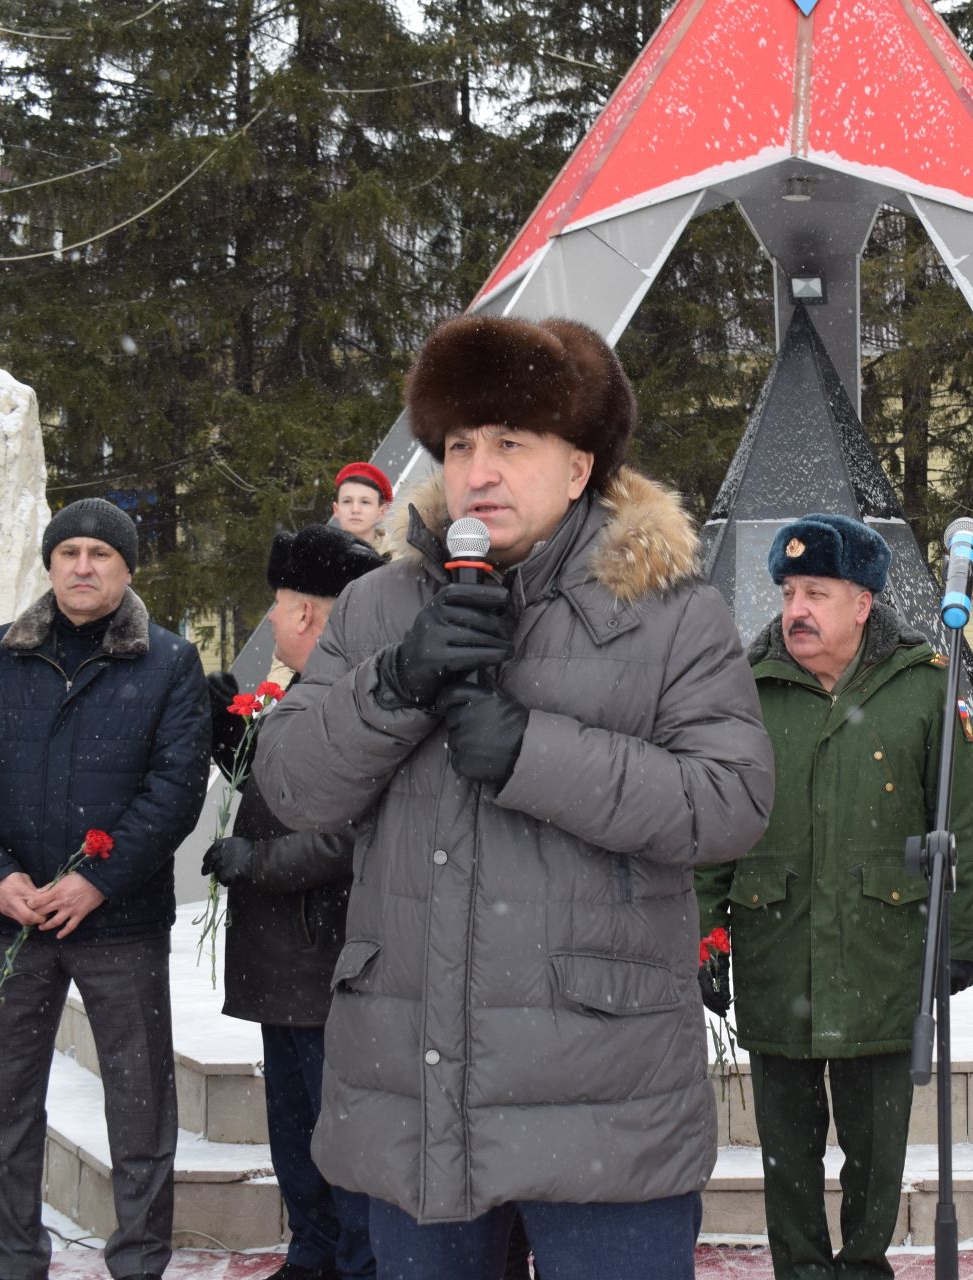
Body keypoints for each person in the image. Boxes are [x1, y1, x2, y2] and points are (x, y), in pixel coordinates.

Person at [253, 313, 774, 1280]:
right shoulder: (379, 608)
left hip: (602, 1107)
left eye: (509, 444)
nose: (477, 471)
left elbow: (731, 799)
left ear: (579, 468)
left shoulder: (667, 611)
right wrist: (395, 684)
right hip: (420, 1095)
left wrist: (532, 752)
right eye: (458, 446)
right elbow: (290, 784)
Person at [694, 514, 973, 1280]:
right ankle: (799, 1270)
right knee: (786, 1153)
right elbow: (714, 826)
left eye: (816, 593)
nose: (796, 608)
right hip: (775, 947)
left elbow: (960, 826)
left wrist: (959, 942)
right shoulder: (746, 688)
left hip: (882, 956)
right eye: (789, 591)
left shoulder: (924, 687)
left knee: (876, 1147)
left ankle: (864, 1268)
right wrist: (702, 933)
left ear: (862, 602)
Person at [0, 497, 207, 1280]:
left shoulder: (168, 662)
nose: (84, 567)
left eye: (101, 554)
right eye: (69, 553)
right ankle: (16, 1264)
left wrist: (96, 880)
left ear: (128, 568)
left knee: (141, 1112)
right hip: (12, 926)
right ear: (50, 564)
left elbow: (175, 791)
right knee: (6, 1114)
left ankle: (137, 1263)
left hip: (119, 926)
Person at [203, 524, 383, 1280]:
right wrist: (235, 742)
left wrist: (257, 862)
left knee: (333, 1135)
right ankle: (313, 1253)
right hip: (289, 964)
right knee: (296, 1133)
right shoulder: (313, 694)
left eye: (277, 606)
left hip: (326, 964)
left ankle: (348, 1261)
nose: (272, 621)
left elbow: (352, 833)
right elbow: (298, 795)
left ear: (307, 614)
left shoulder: (354, 699)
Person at [332, 461, 393, 546]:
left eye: (365, 502)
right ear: (336, 509)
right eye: (347, 501)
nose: (355, 509)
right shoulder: (314, 557)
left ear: (382, 511)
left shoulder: (402, 558)